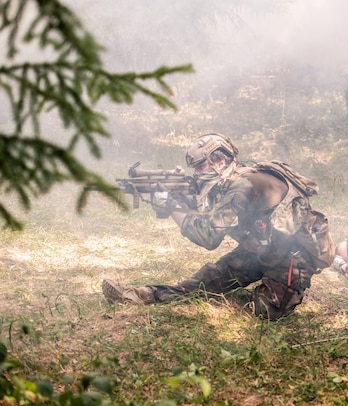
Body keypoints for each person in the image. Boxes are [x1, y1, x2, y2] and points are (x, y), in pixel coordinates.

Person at [102, 133, 334, 320]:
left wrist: (170, 204)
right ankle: (141, 294)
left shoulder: (242, 186)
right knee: (202, 283)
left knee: (267, 312)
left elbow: (207, 237)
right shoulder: (230, 181)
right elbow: (205, 211)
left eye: (200, 166)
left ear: (219, 160)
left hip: (293, 257)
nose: (197, 173)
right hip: (259, 250)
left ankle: (280, 286)